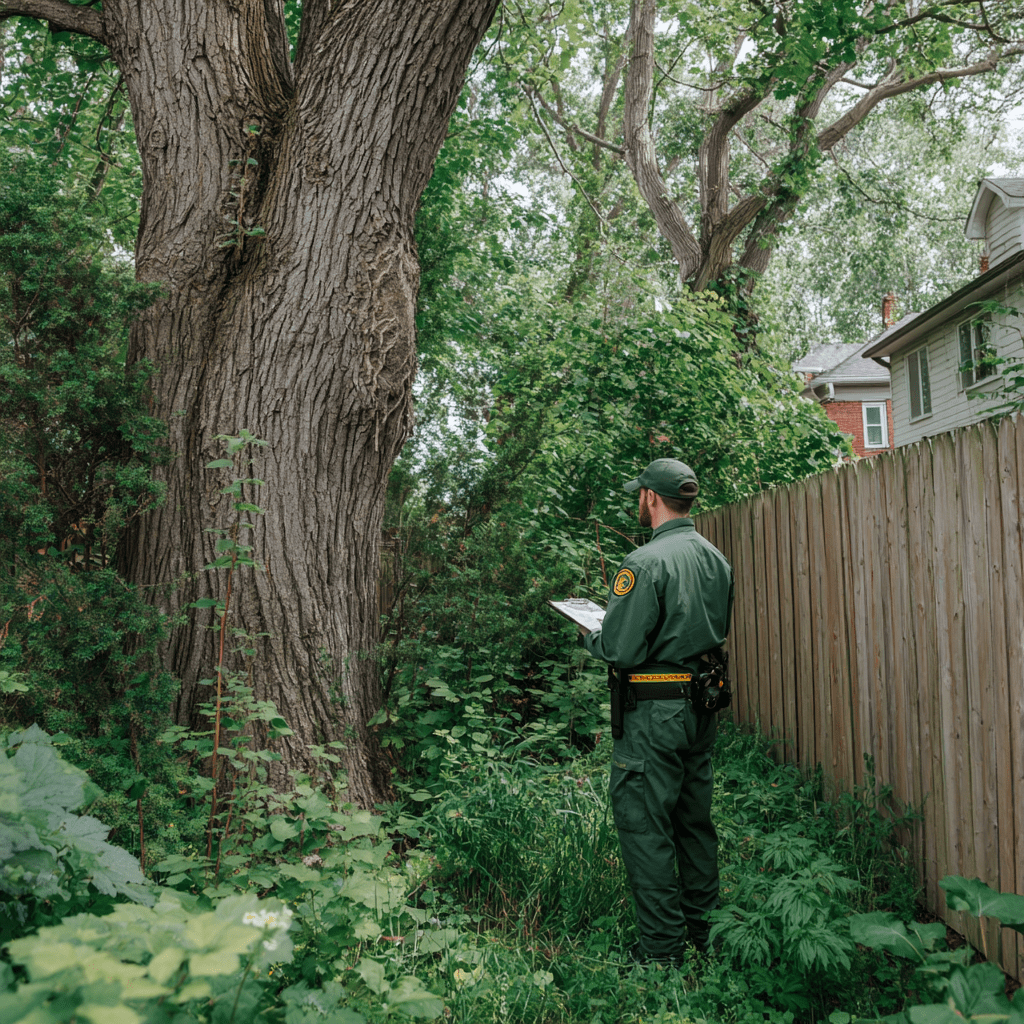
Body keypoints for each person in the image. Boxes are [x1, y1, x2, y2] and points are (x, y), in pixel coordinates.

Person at [583, 457, 734, 964]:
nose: (637, 501)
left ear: (650, 497)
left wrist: (593, 635)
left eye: (638, 494)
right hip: (702, 706)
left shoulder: (643, 562)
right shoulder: (715, 558)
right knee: (693, 821)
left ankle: (663, 952)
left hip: (653, 713)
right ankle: (706, 932)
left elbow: (622, 648)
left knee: (645, 825)